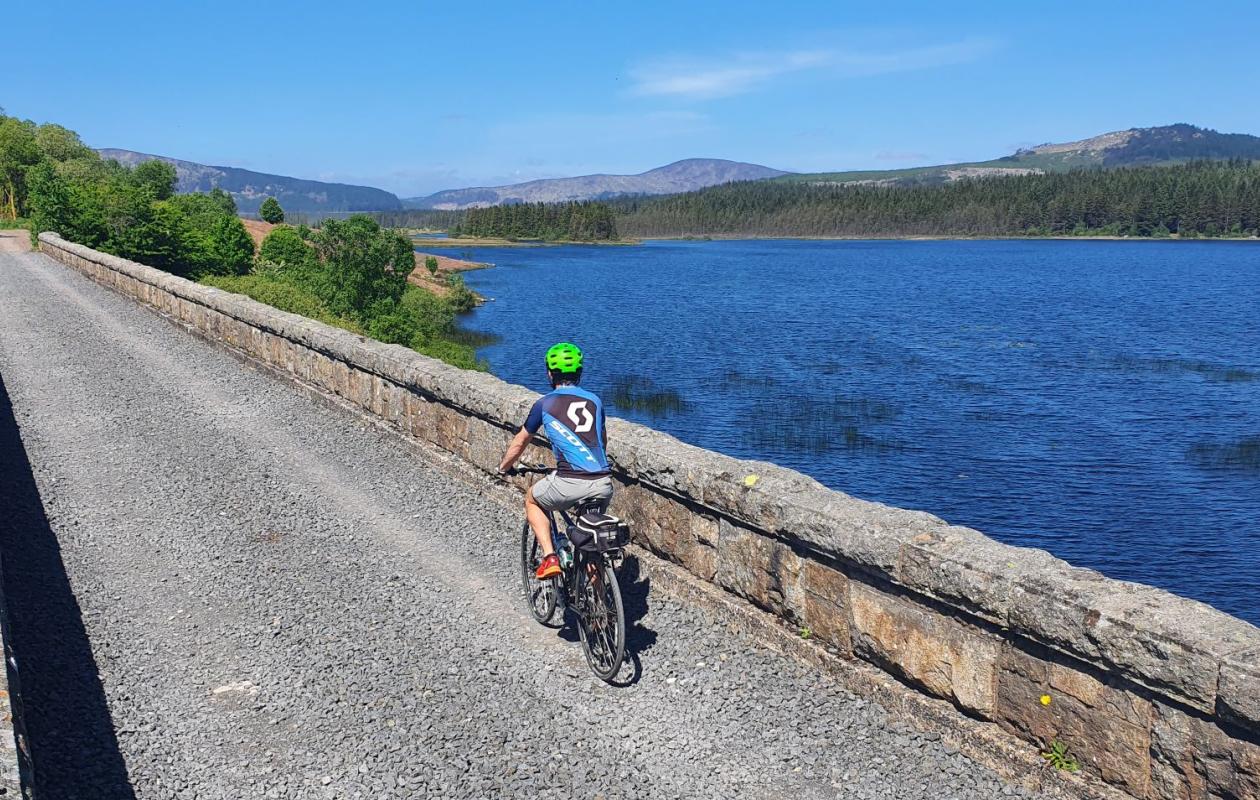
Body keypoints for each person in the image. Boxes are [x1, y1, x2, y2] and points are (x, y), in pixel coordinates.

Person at [498, 342, 613, 579]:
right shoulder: (595, 401)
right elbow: (602, 441)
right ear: (579, 373)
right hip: (603, 482)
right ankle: (601, 606)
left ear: (550, 373)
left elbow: (521, 441)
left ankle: (550, 557)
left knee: (532, 499)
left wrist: (504, 467)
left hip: (571, 480)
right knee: (590, 539)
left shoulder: (545, 404)